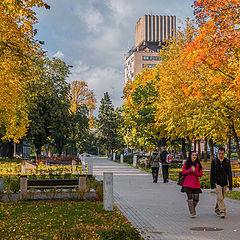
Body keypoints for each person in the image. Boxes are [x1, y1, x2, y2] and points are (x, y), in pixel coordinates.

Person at [210, 147, 232, 218]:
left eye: (222, 154)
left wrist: (230, 185)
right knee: (220, 197)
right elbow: (212, 173)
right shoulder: (214, 161)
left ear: (224, 153)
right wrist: (212, 184)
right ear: (218, 153)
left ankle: (217, 209)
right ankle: (222, 212)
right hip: (217, 182)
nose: (221, 155)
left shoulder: (227, 161)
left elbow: (229, 173)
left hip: (224, 182)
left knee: (222, 197)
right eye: (219, 153)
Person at [181, 151, 203, 218]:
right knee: (190, 199)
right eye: (193, 155)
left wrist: (194, 171)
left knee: (196, 199)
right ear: (190, 156)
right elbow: (183, 172)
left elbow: (200, 174)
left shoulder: (198, 164)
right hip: (187, 183)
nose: (194, 156)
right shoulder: (186, 163)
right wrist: (190, 170)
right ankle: (192, 212)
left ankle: (192, 208)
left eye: (195, 155)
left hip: (195, 184)